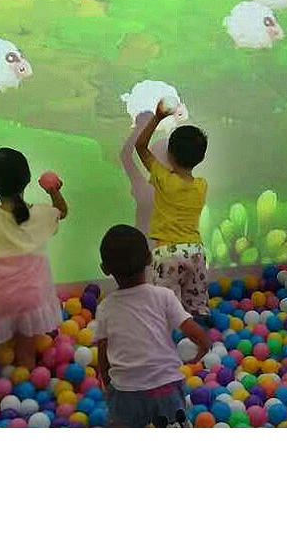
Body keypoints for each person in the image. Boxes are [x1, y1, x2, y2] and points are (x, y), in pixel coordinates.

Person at [0, 147, 67, 424]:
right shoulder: (41, 214)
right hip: (34, 297)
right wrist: (54, 190)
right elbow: (62, 212)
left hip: (1, 299)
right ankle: (26, 395)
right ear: (27, 179)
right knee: (26, 348)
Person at [96, 224, 210, 428]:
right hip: (166, 387)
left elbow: (103, 351)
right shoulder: (164, 296)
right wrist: (203, 347)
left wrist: (107, 382)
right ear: (150, 258)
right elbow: (195, 333)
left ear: (105, 269)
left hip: (126, 391)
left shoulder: (105, 307)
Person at [134, 101, 210, 321]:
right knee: (197, 306)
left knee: (164, 309)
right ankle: (201, 335)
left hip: (167, 253)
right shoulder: (202, 185)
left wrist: (157, 118)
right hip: (195, 251)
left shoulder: (164, 179)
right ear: (201, 158)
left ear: (169, 155)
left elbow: (140, 147)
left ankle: (167, 337)